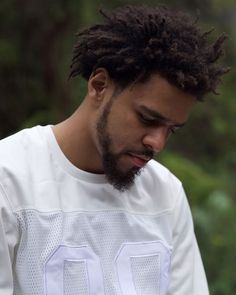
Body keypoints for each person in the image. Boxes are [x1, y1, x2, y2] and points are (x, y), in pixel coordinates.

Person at [0, 5, 228, 295]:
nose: (156, 143)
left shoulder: (166, 194)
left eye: (171, 129)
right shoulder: (9, 180)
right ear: (99, 85)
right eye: (147, 118)